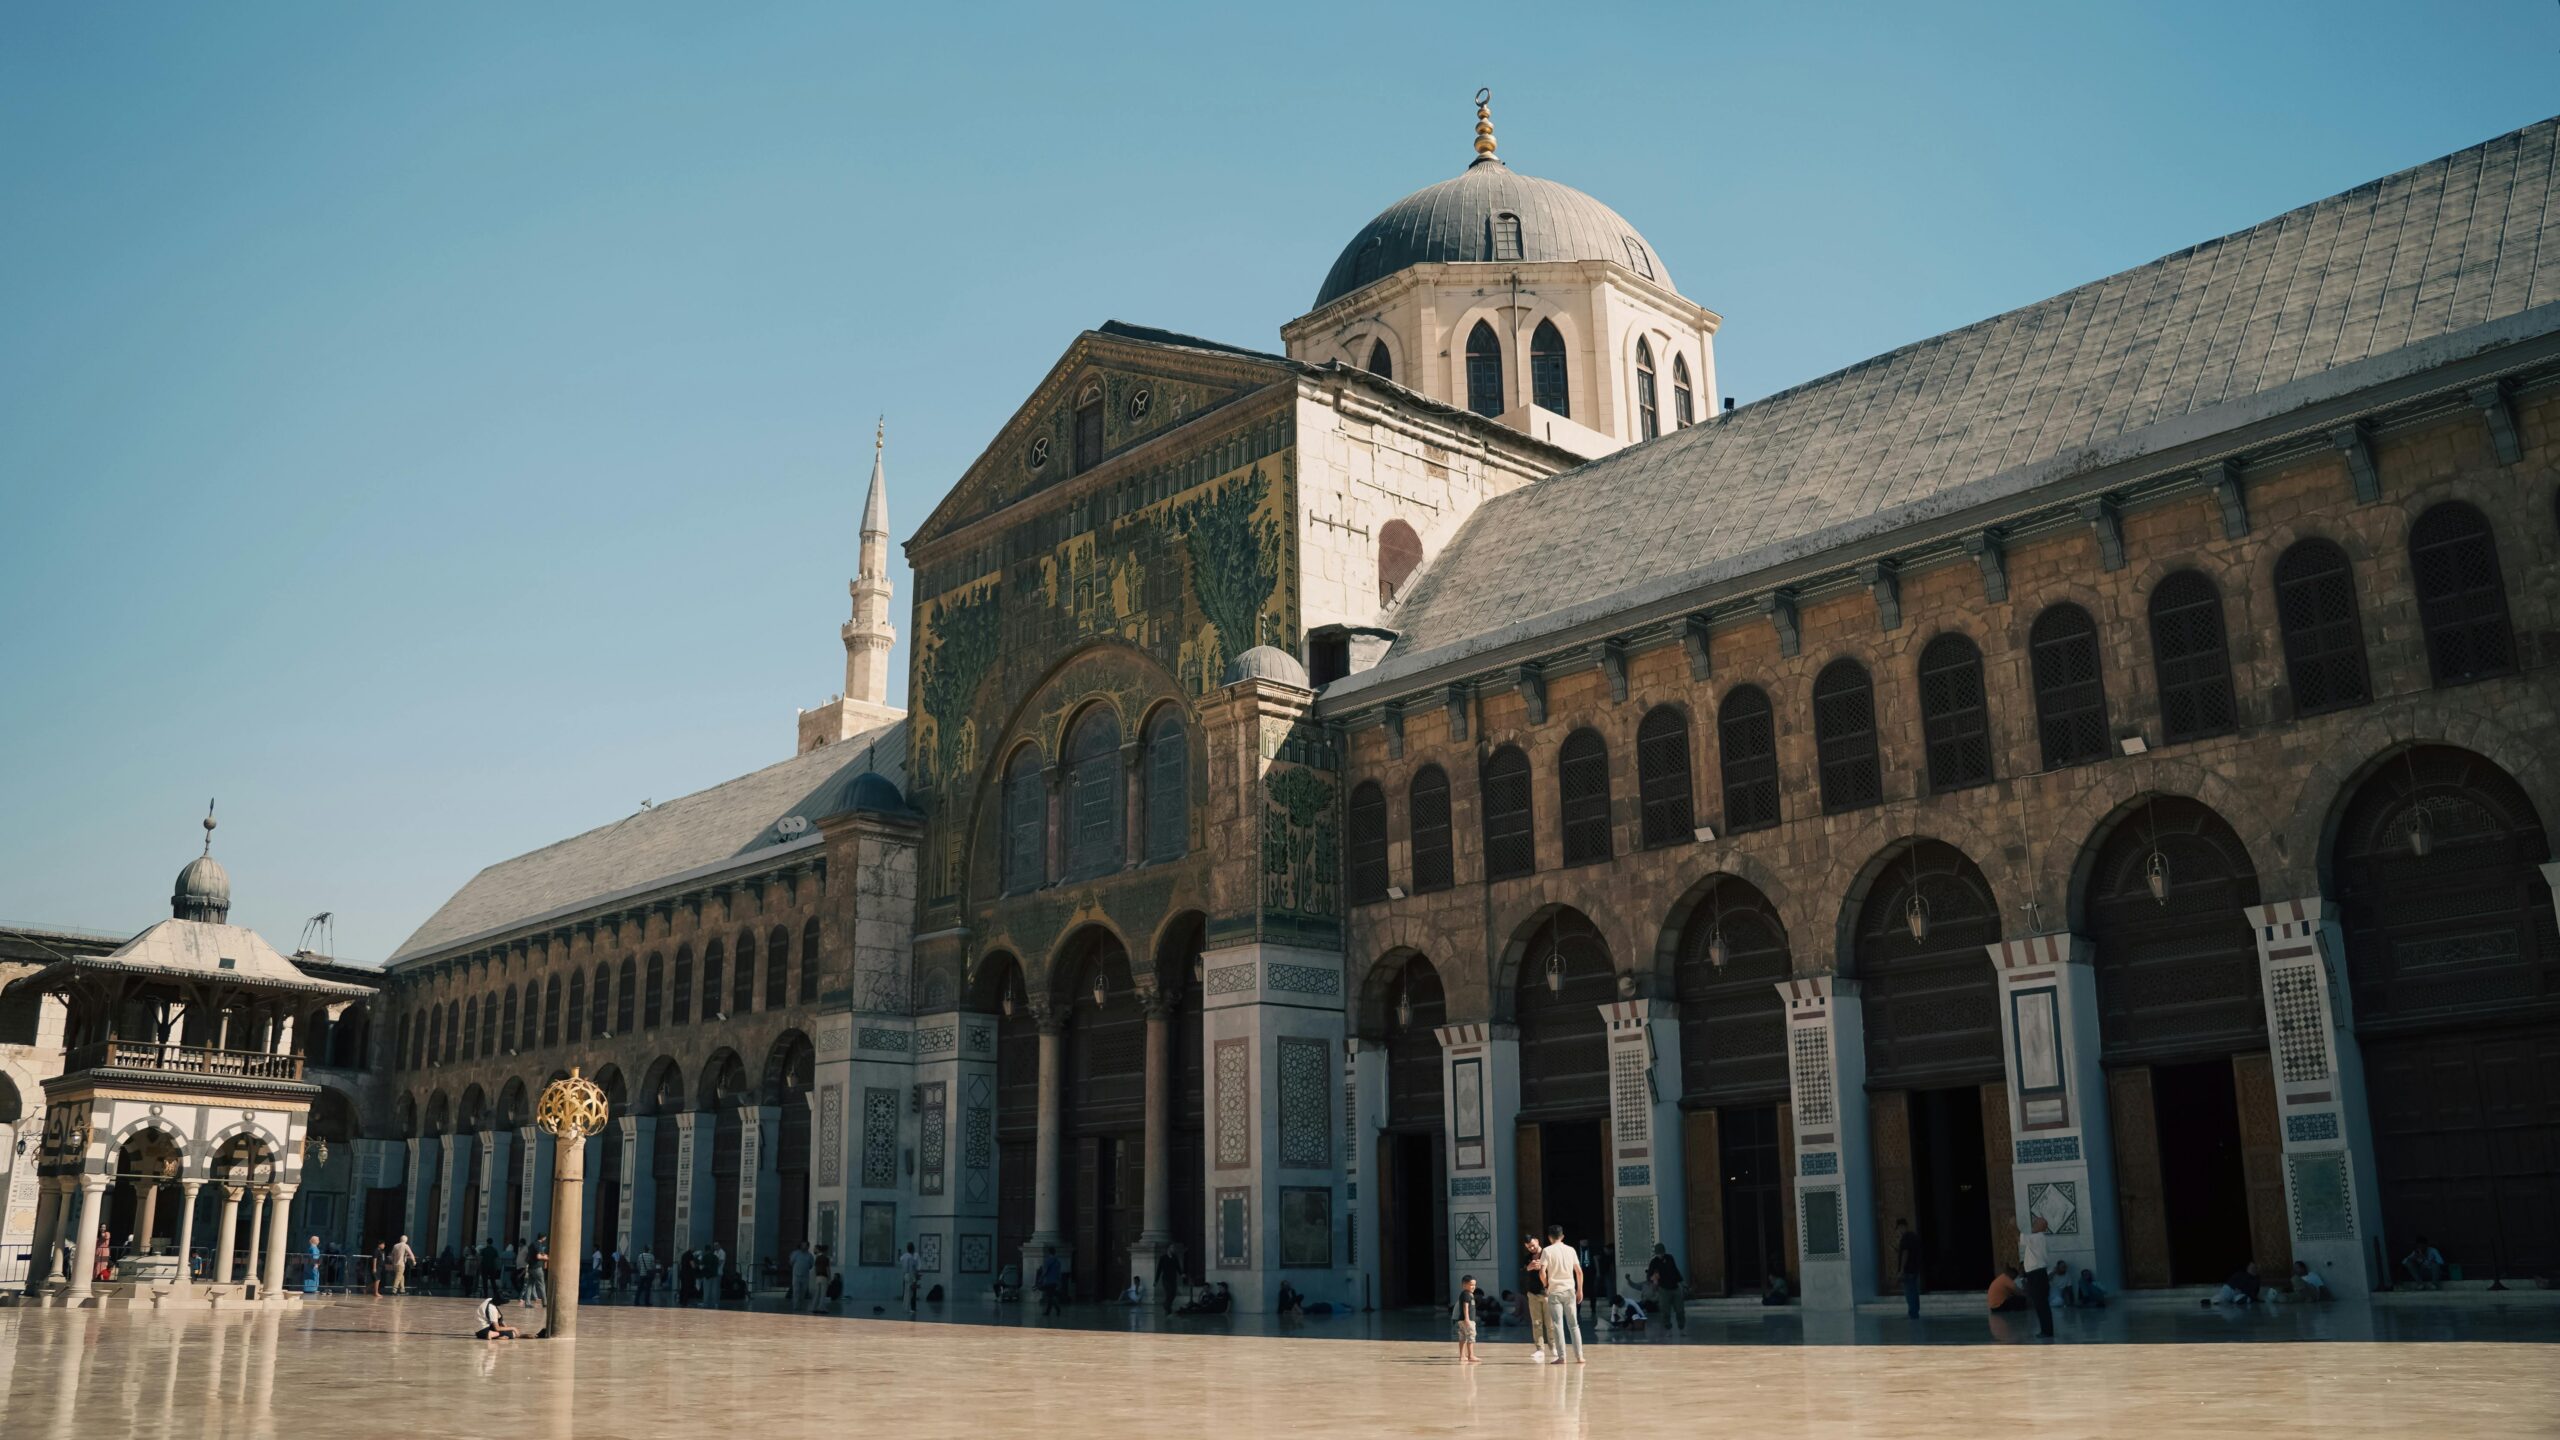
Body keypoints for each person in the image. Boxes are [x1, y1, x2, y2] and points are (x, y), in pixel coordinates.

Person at [1540, 1224, 1585, 1365]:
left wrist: (1546, 1285)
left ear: (1549, 1237)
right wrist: (1580, 1290)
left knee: (1558, 1325)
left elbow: (1542, 1272)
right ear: (1562, 1236)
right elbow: (1579, 1271)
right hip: (1569, 1290)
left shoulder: (1547, 1251)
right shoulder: (1570, 1250)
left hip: (1554, 1291)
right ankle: (1579, 1357)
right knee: (1574, 1325)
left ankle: (1562, 1357)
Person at [2018, 1213, 2056, 1338]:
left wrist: (2014, 1226)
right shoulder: (2037, 1239)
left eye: (2036, 1223)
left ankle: (2047, 1331)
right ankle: (2045, 1330)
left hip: (2037, 1275)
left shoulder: (2038, 1237)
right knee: (2040, 1304)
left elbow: (2020, 1238)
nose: (2033, 1224)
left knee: (2041, 1304)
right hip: (2036, 1275)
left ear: (2042, 1226)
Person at [1521, 1235, 1554, 1362]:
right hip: (1532, 1293)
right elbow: (1522, 1271)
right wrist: (1528, 1268)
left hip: (1546, 1293)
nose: (1532, 1248)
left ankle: (1553, 1347)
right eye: (1529, 1247)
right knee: (1536, 1323)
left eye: (1533, 1245)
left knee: (1550, 1323)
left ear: (1538, 1242)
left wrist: (1543, 1268)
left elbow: (1554, 1270)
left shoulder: (1547, 1254)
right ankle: (1540, 1349)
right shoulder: (1527, 1258)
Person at [1644, 1243, 1687, 1332]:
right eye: (1659, 1253)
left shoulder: (1670, 1258)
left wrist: (1682, 1282)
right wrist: (1654, 1278)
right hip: (1663, 1289)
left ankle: (1681, 1325)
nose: (1660, 1255)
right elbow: (1649, 1276)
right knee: (1665, 1310)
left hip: (1675, 1287)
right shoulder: (1654, 1262)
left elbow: (1675, 1270)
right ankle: (1667, 1326)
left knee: (1680, 1309)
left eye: (1662, 1253)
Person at [1895, 1218, 1922, 1319]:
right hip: (1915, 1269)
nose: (1899, 1231)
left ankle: (1913, 1313)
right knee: (1914, 1291)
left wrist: (1901, 1270)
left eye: (1898, 1228)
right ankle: (1915, 1311)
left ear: (1901, 1227)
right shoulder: (1914, 1236)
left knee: (1909, 1293)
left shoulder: (1905, 1238)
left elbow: (1905, 1253)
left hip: (1908, 1270)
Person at [1453, 1274, 1481, 1364]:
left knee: (1462, 1337)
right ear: (1464, 1285)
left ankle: (1462, 1356)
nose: (1473, 1287)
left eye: (1474, 1285)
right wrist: (1467, 1318)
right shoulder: (1466, 1294)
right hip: (1467, 1320)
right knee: (1471, 1337)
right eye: (1471, 1285)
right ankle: (1471, 1355)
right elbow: (1466, 1306)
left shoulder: (1467, 1294)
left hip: (1462, 1320)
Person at [1035, 1246, 1064, 1316]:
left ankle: (1055, 1309)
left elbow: (1045, 1272)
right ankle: (1049, 1311)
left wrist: (1040, 1279)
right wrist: (1059, 1282)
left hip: (1048, 1281)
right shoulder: (1058, 1261)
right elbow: (1059, 1273)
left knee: (1049, 1296)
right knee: (1050, 1296)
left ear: (1049, 1252)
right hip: (1055, 1282)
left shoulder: (1048, 1261)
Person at [1155, 1241, 1182, 1313]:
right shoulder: (1163, 1258)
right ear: (1168, 1248)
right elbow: (1159, 1270)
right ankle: (1168, 1307)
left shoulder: (1175, 1258)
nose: (1173, 1249)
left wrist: (1181, 1274)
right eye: (1172, 1247)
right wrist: (1156, 1280)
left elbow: (1178, 1267)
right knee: (1169, 1293)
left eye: (1174, 1247)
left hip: (1173, 1278)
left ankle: (1166, 1305)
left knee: (1173, 1293)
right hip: (1166, 1279)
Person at [526, 1234, 550, 1308]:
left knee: (530, 1285)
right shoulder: (539, 1244)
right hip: (537, 1268)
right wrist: (545, 1257)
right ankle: (545, 1303)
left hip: (531, 1267)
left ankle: (527, 1303)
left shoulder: (531, 1244)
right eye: (545, 1237)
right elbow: (538, 1256)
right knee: (542, 1285)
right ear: (543, 1238)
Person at [788, 1241, 815, 1309]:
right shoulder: (795, 1253)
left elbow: (811, 1265)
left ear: (808, 1247)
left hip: (805, 1276)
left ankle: (801, 1305)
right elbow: (791, 1262)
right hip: (796, 1275)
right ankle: (795, 1306)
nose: (804, 1247)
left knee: (803, 1292)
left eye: (805, 1245)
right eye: (803, 1245)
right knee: (796, 1291)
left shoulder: (810, 1255)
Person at [899, 1241, 922, 1316]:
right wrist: (915, 1278)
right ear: (912, 1249)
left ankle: (905, 1307)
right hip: (910, 1275)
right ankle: (910, 1308)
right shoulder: (911, 1257)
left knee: (906, 1292)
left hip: (905, 1275)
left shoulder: (904, 1256)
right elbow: (912, 1268)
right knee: (911, 1293)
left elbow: (900, 1259)